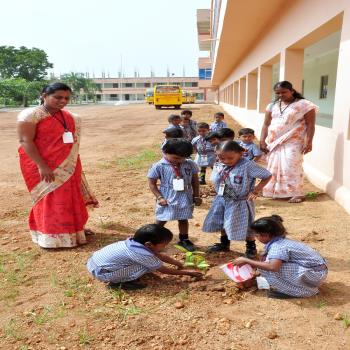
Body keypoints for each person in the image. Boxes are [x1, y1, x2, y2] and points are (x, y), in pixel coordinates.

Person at [17, 82, 98, 248]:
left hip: (68, 164)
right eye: (58, 97)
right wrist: (42, 166)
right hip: (40, 164)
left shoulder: (70, 117)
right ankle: (50, 237)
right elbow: (25, 141)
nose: (63, 101)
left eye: (67, 98)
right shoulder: (30, 115)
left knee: (69, 196)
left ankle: (74, 230)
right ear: (44, 95)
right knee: (50, 198)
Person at [203, 141, 271, 257]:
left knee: (246, 224)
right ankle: (224, 244)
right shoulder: (218, 164)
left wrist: (255, 190)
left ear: (240, 153)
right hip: (222, 199)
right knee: (222, 221)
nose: (226, 161)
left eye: (230, 158)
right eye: (221, 157)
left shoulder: (247, 165)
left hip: (240, 202)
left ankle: (251, 248)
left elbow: (267, 175)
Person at [233, 215, 327, 299]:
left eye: (256, 235)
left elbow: (273, 267)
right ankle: (301, 286)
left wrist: (247, 260)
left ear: (266, 235)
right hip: (317, 272)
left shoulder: (278, 246)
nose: (256, 238)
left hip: (314, 275)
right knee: (266, 262)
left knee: (267, 268)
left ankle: (302, 291)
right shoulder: (280, 241)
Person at [87, 224, 202, 290]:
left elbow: (159, 255)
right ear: (149, 244)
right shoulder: (141, 253)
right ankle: (118, 283)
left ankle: (120, 276)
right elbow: (163, 269)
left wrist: (179, 264)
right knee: (146, 266)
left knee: (150, 262)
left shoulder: (135, 243)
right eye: (164, 244)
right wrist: (188, 273)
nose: (166, 246)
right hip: (102, 272)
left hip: (94, 263)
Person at [260, 81, 318, 203]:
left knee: (291, 165)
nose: (281, 95)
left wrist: (309, 142)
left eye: (284, 92)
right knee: (274, 167)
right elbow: (266, 124)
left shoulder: (304, 105)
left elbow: (310, 124)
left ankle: (297, 193)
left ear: (292, 91)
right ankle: (277, 192)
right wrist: (262, 140)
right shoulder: (272, 106)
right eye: (278, 93)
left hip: (294, 140)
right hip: (274, 141)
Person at [148, 139, 202, 252]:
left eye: (183, 158)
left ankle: (184, 239)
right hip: (167, 197)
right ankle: (151, 239)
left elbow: (195, 182)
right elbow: (152, 184)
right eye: (176, 158)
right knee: (161, 219)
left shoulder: (190, 164)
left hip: (185, 196)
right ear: (165, 152)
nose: (180, 160)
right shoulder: (158, 166)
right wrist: (160, 197)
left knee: (183, 218)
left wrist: (196, 196)